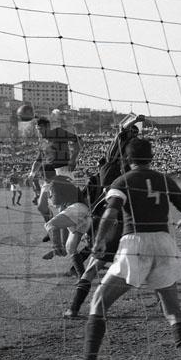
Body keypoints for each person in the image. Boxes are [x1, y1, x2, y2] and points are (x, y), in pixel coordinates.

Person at [57, 137, 181, 360]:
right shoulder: (165, 180)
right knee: (173, 311)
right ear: (151, 157)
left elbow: (111, 212)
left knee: (99, 301)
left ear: (127, 159)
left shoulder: (122, 181)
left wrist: (100, 241)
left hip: (135, 243)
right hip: (164, 244)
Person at [62, 119, 140, 319]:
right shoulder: (134, 174)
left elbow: (119, 136)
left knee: (92, 269)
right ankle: (166, 304)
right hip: (131, 229)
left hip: (109, 223)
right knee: (149, 270)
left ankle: (74, 308)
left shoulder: (108, 170)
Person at [42, 175, 91, 277]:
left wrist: (49, 197)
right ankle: (82, 277)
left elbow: (56, 202)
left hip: (76, 209)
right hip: (84, 212)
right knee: (70, 249)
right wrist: (62, 247)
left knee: (50, 225)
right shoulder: (64, 180)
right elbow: (63, 227)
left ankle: (56, 248)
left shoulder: (54, 183)